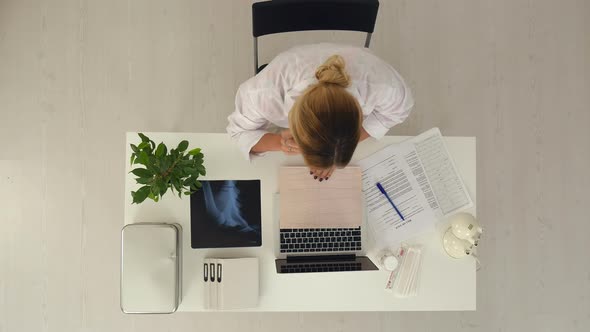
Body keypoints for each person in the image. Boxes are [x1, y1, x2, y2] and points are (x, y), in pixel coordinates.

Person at [227, 43, 414, 181]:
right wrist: (280, 143)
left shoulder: (386, 87)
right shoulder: (263, 94)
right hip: (290, 64)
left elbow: (394, 114)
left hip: (362, 63)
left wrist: (333, 152)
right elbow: (238, 132)